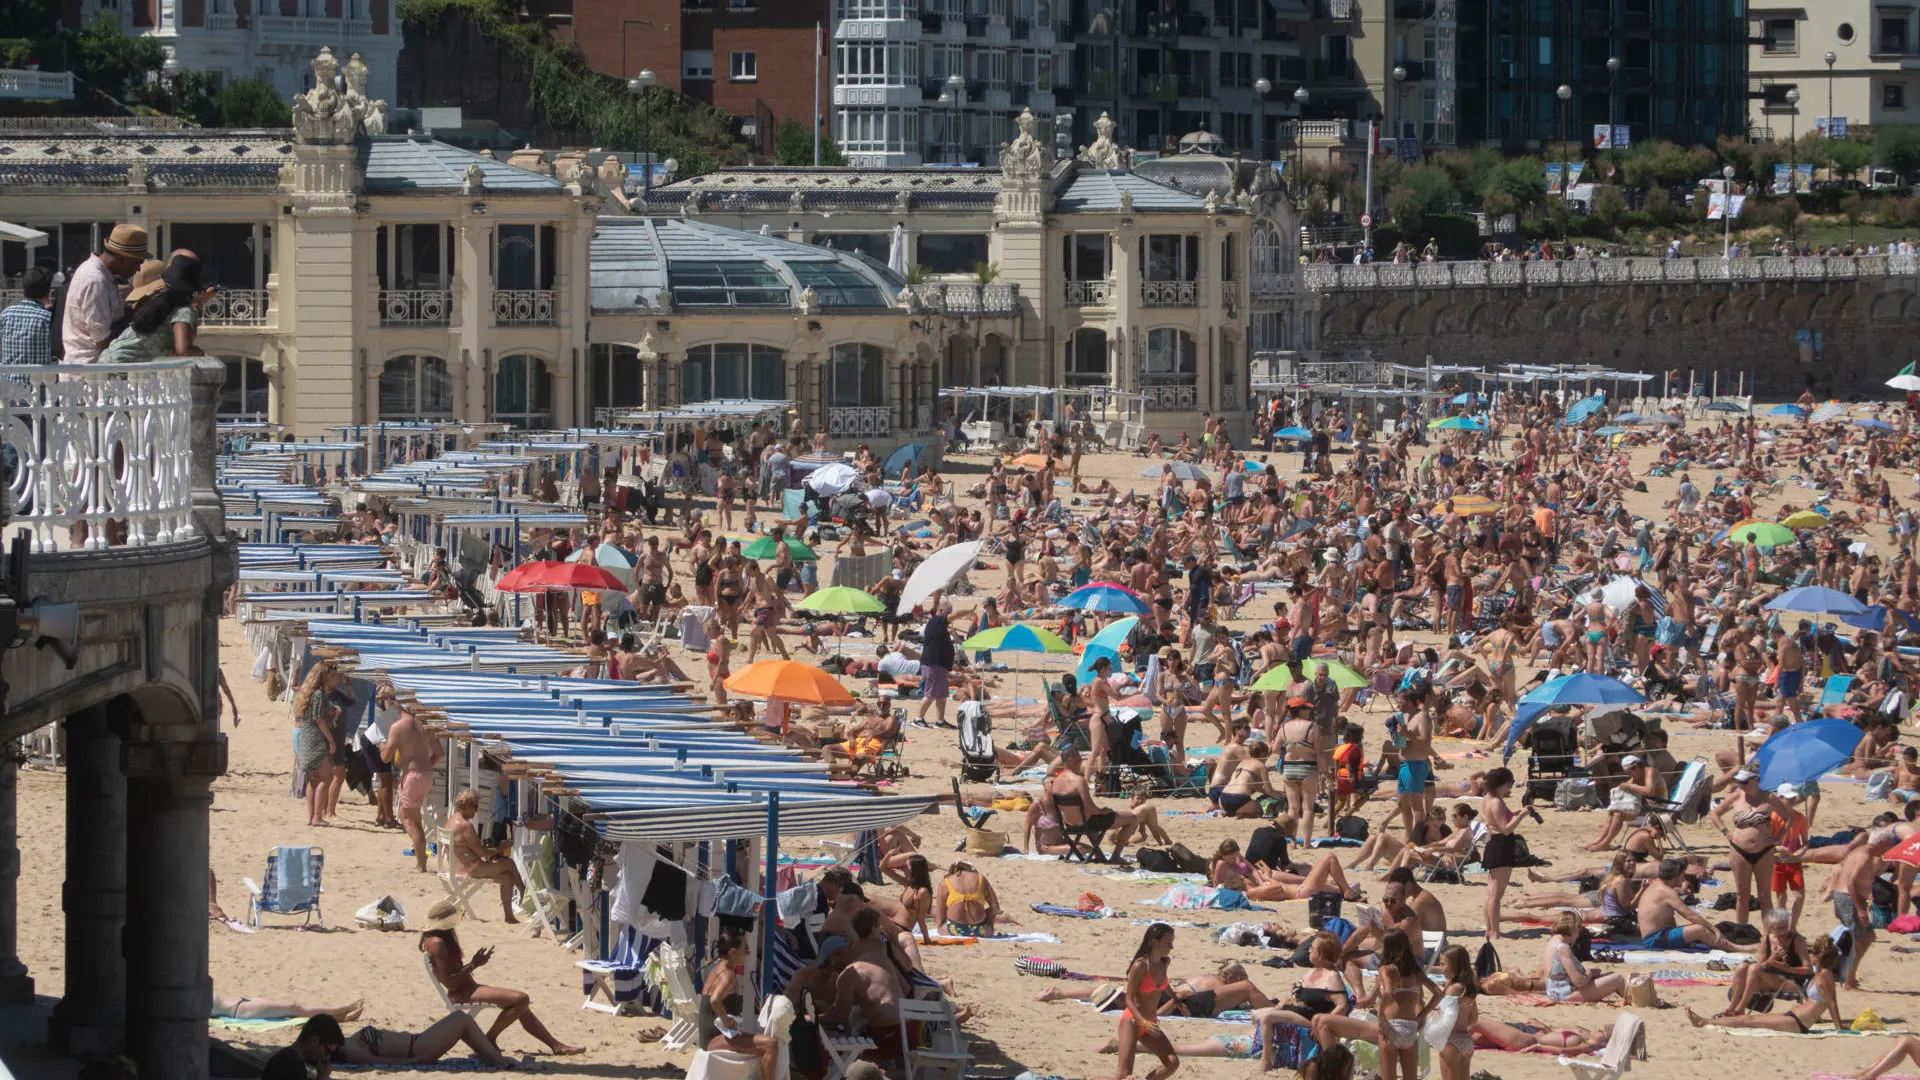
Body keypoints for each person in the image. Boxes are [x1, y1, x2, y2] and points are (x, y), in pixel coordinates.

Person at [419, 901, 583, 1055]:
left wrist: (474, 964)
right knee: (521, 999)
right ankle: (489, 1038)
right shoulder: (437, 943)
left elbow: (451, 973)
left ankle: (556, 1046)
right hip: (462, 993)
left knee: (521, 1004)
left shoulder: (438, 939)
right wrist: (474, 965)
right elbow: (450, 982)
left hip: (468, 987)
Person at [1684, 938, 1845, 1034]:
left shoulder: (1825, 975)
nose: (1809, 956)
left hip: (1799, 1023)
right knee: (1748, 1019)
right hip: (1793, 1014)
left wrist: (1839, 1026)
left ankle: (1705, 1022)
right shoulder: (1818, 974)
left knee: (1749, 1022)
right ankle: (1706, 1021)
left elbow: (1832, 1003)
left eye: (1813, 954)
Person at [1711, 767, 1793, 927]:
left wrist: (1778, 838)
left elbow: (1788, 818)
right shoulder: (1736, 796)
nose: (1741, 785)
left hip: (1764, 851)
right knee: (1742, 895)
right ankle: (1741, 931)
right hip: (1739, 851)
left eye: (1745, 782)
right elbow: (1714, 814)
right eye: (1739, 781)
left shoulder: (1769, 797)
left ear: (1756, 780)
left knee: (1765, 896)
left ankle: (1769, 935)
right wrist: (1726, 832)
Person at [62, 223, 149, 363]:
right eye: (136, 263)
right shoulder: (95, 280)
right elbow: (103, 339)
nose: (138, 269)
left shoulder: (105, 276)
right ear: (122, 258)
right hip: (88, 373)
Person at [100, 251, 207, 362]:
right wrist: (199, 352)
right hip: (123, 368)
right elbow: (183, 350)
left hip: (108, 360)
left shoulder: (157, 300)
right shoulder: (183, 311)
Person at [702, 933, 780, 1080]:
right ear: (733, 952)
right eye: (745, 948)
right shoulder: (727, 975)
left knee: (765, 1042)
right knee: (771, 1045)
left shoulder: (718, 968)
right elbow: (715, 1000)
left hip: (710, 1037)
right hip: (714, 1039)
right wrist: (726, 1021)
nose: (749, 953)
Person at [333, 1011, 517, 1069]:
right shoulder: (350, 1050)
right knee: (462, 1020)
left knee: (462, 1022)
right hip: (418, 1049)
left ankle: (492, 1057)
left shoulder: (349, 1044)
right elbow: (377, 1061)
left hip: (418, 1043)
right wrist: (411, 1062)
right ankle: (498, 1061)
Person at [1114, 923, 1180, 1080]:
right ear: (1154, 942)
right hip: (1132, 1021)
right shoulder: (1140, 965)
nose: (1171, 946)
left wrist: (1177, 999)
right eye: (1167, 942)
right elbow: (1129, 1000)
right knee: (1123, 1076)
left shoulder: (1165, 963)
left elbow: (1163, 984)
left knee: (1172, 1063)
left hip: (1151, 1022)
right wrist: (1143, 1023)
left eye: (1172, 942)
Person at [447, 787, 523, 923]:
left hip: (455, 866)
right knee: (509, 864)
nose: (476, 811)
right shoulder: (466, 826)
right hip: (469, 869)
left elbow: (473, 848)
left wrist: (490, 849)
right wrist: (501, 848)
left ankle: (509, 917)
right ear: (468, 805)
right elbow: (483, 853)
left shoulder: (452, 819)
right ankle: (525, 893)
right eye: (475, 806)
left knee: (507, 878)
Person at [385, 703, 442, 873]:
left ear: (398, 706)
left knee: (413, 822)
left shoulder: (398, 726)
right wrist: (427, 766)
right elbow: (439, 753)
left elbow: (386, 757)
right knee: (405, 815)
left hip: (412, 775)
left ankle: (421, 864)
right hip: (425, 775)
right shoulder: (425, 725)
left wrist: (382, 748)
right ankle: (420, 855)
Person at [291, 661, 346, 828]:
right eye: (334, 676)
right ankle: (317, 816)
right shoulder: (320, 694)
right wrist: (330, 740)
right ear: (326, 676)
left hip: (306, 738)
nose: (337, 680)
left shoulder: (309, 693)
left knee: (313, 780)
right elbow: (319, 720)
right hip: (316, 739)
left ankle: (311, 817)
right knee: (325, 777)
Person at [1540, 910, 1627, 1003]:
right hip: (1565, 994)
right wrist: (1590, 973)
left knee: (1610, 975)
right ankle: (1637, 1003)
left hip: (1553, 991)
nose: (1578, 934)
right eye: (1579, 929)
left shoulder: (1551, 941)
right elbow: (1578, 981)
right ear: (1573, 928)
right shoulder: (1563, 948)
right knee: (1618, 979)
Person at [1479, 766, 1524, 941]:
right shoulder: (1496, 801)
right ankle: (1495, 931)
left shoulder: (1488, 798)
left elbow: (1498, 820)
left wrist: (1515, 813)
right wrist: (1522, 816)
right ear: (1503, 783)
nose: (1510, 788)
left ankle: (1489, 929)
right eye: (1509, 784)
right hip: (1501, 844)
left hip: (1493, 843)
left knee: (1490, 893)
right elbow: (1505, 829)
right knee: (1496, 895)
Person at [1433, 945, 1480, 1080]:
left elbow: (1446, 1019)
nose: (1441, 968)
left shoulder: (1453, 989)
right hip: (1466, 1041)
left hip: (1450, 1041)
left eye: (1443, 964)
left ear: (1454, 966)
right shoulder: (1469, 989)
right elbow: (1473, 1020)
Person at [260, 1014, 345, 1080]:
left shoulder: (287, 1058)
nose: (326, 1058)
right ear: (314, 1041)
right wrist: (322, 1077)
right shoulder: (292, 1067)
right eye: (327, 1051)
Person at [0, 266, 54, 365]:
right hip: (37, 380)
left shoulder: (5, 315)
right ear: (48, 292)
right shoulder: (47, 319)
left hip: (6, 379)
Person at [932, 859, 1001, 937]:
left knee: (944, 918)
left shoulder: (945, 883)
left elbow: (940, 914)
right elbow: (995, 907)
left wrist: (940, 927)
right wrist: (989, 923)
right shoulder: (981, 879)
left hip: (953, 929)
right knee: (987, 918)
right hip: (981, 930)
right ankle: (987, 927)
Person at [917, 597, 956, 728]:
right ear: (940, 610)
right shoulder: (937, 620)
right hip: (933, 663)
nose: (950, 614)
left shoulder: (940, 625)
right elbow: (955, 615)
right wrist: (969, 611)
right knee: (931, 693)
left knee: (942, 694)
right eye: (948, 612)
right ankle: (919, 718)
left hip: (940, 665)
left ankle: (940, 720)